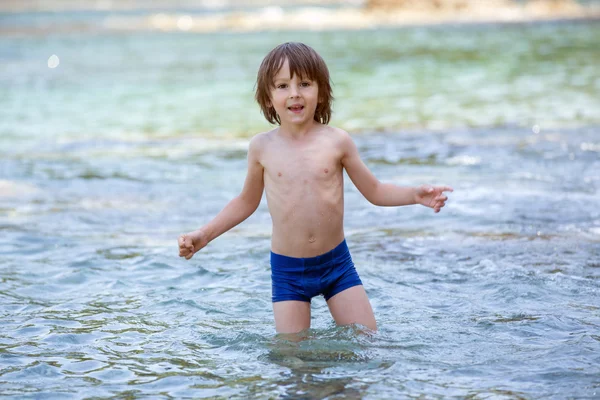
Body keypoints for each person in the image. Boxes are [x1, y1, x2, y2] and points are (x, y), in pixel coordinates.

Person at [178, 42, 453, 334]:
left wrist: (413, 195)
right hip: (288, 271)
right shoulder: (262, 147)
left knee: (368, 344)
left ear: (320, 93)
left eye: (305, 83)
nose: (295, 93)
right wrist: (204, 235)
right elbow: (246, 202)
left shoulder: (337, 142)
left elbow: (374, 191)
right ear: (268, 98)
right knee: (295, 363)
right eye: (282, 86)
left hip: (337, 265)